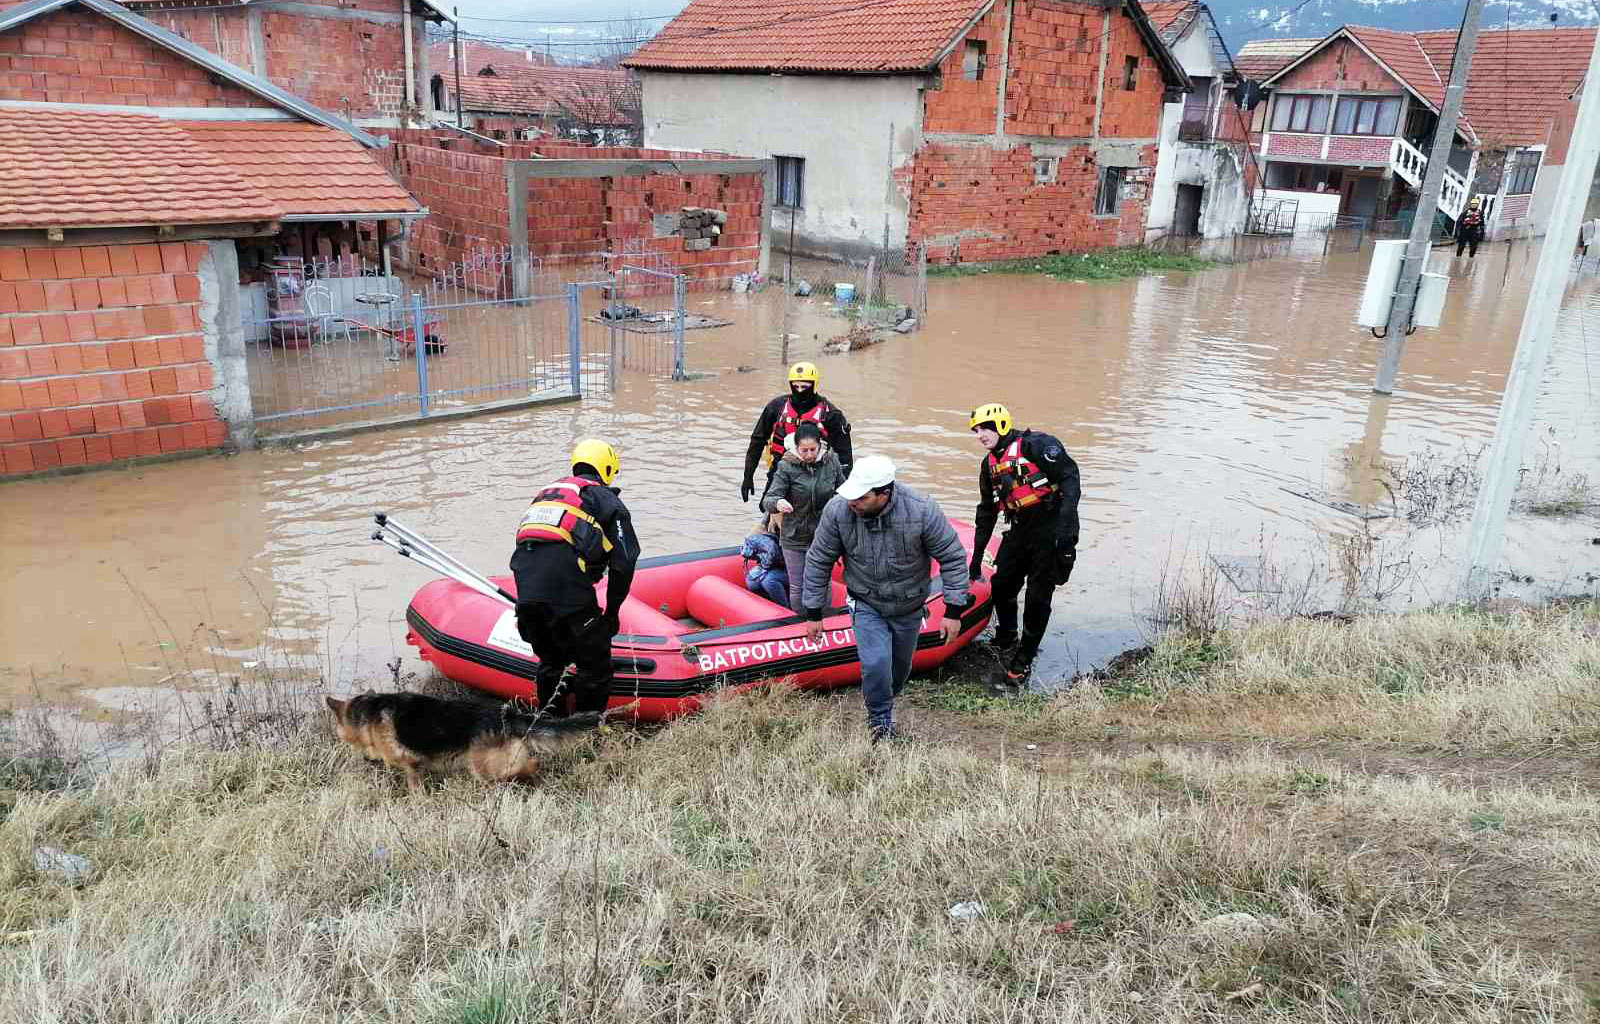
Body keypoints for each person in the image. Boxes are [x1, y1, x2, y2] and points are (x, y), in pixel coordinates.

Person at [802, 454, 972, 742]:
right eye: (851, 496)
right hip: (866, 601)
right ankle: (880, 722)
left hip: (909, 604)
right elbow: (819, 560)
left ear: (884, 493)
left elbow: (953, 558)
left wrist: (954, 611)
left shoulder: (921, 510)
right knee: (876, 662)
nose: (853, 503)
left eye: (861, 498)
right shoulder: (838, 511)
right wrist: (813, 612)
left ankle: (884, 697)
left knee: (899, 668)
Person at [509, 439, 640, 717]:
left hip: (528, 593)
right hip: (567, 593)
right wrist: (611, 614)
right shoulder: (607, 500)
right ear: (606, 469)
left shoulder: (545, 495)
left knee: (551, 661)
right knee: (595, 665)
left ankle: (547, 726)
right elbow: (624, 562)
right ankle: (583, 734)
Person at [967, 403, 1080, 686]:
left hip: (1051, 528)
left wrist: (1064, 534)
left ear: (1001, 425)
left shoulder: (1036, 445)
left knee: (1038, 598)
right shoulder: (989, 465)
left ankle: (1025, 656)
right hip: (1020, 528)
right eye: (977, 430)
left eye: (986, 428)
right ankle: (1007, 636)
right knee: (1002, 585)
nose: (980, 435)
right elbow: (986, 511)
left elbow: (1071, 478)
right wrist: (976, 557)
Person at [760, 421, 846, 612]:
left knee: (823, 583)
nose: (808, 455)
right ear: (796, 448)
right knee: (798, 586)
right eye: (804, 450)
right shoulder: (786, 466)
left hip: (824, 535)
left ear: (820, 445)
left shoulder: (832, 462)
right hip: (794, 535)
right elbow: (769, 499)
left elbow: (843, 491)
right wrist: (778, 503)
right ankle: (801, 624)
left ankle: (825, 622)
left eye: (812, 450)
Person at [741, 361, 853, 502]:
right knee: (768, 507)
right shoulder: (776, 407)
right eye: (795, 386)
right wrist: (748, 476)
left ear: (814, 385)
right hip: (780, 469)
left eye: (805, 387)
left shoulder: (831, 414)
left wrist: (844, 491)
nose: (800, 390)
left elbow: (845, 456)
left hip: (818, 473)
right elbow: (757, 442)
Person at [740, 523, 790, 607]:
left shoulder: (792, 529)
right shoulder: (768, 521)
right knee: (752, 581)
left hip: (791, 567)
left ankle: (785, 609)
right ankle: (768, 606)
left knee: (769, 581)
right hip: (774, 565)